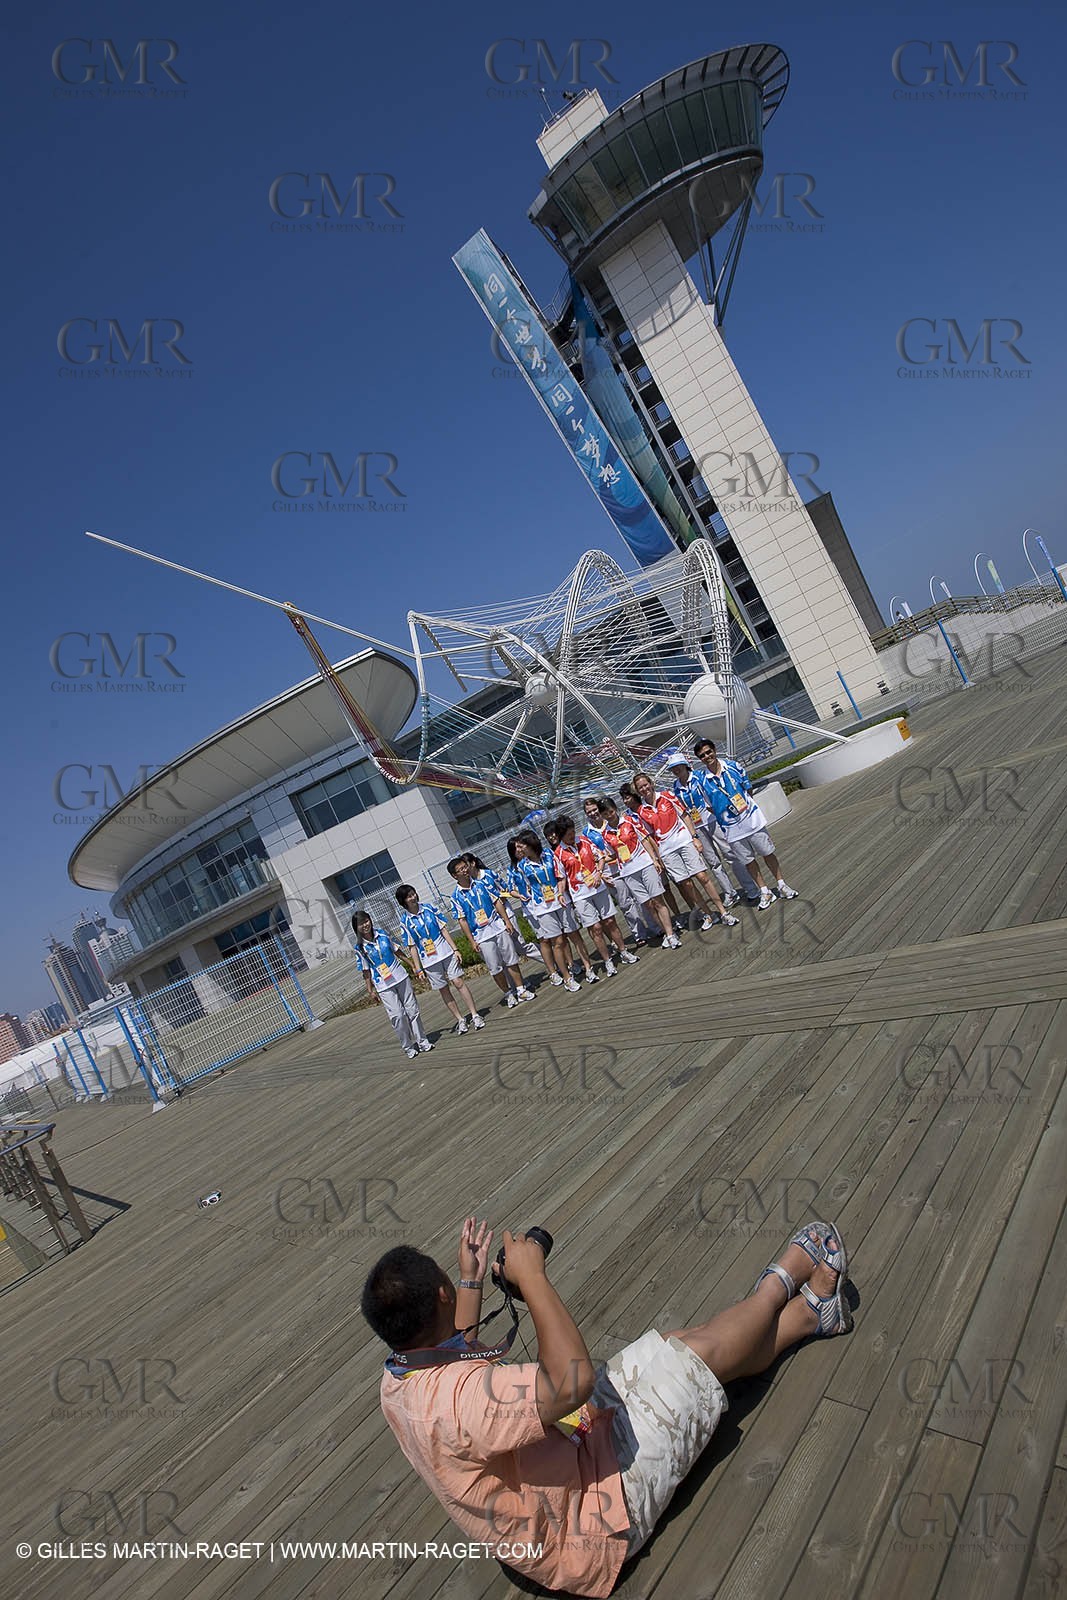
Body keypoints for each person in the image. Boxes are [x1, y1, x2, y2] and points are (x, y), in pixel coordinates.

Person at [363, 1214, 852, 1598]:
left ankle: (812, 1316)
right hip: (590, 1525)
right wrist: (532, 1279)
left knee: (676, 1345)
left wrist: (470, 1281)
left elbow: (454, 1354)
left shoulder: (399, 1378)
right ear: (441, 1293)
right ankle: (782, 1286)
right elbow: (570, 1381)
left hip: (563, 1464)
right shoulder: (463, 1405)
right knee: (695, 1361)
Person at [693, 739, 799, 910]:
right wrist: (726, 816)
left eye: (708, 752)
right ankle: (764, 891)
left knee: (767, 852)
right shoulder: (702, 781)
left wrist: (743, 808)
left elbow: (747, 788)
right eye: (702, 756)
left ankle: (781, 884)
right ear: (700, 759)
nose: (707, 757)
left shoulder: (733, 766)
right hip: (731, 828)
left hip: (751, 821)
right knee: (748, 861)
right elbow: (709, 806)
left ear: (714, 750)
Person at [631, 772, 739, 932]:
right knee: (686, 884)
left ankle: (722, 911)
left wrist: (695, 837)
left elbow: (685, 815)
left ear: (651, 783)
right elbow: (649, 836)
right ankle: (708, 914)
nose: (644, 789)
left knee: (702, 876)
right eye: (640, 788)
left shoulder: (667, 796)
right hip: (666, 851)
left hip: (684, 841)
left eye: (646, 785)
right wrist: (657, 857)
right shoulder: (641, 812)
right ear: (638, 791)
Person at [551, 815, 639, 977]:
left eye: (572, 831)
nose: (572, 836)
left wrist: (599, 873)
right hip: (580, 895)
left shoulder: (584, 840)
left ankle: (623, 951)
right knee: (596, 928)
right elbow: (561, 877)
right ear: (561, 835)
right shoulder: (558, 854)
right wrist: (561, 893)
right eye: (568, 834)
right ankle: (608, 961)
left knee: (610, 921)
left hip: (598, 888)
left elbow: (600, 857)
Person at [395, 885, 485, 1035]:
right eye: (409, 896)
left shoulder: (430, 908)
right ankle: (460, 1019)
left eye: (413, 893)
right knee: (443, 989)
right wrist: (418, 968)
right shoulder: (405, 922)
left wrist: (455, 949)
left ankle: (475, 1014)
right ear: (403, 901)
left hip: (446, 952)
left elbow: (444, 929)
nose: (413, 897)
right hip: (429, 961)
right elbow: (412, 947)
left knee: (458, 982)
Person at [447, 856, 535, 1009]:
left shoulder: (481, 884)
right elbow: (462, 920)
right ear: (455, 876)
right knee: (495, 967)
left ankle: (521, 990)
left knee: (511, 959)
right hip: (481, 935)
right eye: (460, 870)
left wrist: (506, 921)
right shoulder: (456, 897)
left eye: (465, 867)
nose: (465, 871)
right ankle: (508, 993)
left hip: (498, 926)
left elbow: (497, 901)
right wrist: (471, 941)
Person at [596, 796, 678, 948]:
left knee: (658, 900)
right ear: (602, 816)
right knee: (647, 904)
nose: (609, 815)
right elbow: (613, 854)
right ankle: (664, 931)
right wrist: (598, 861)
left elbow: (645, 839)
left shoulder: (630, 821)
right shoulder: (605, 834)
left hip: (645, 864)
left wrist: (655, 859)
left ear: (615, 809)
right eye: (605, 814)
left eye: (611, 811)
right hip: (627, 872)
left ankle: (671, 934)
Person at [351, 909, 432, 1060]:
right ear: (356, 928)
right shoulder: (359, 948)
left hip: (400, 977)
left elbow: (397, 951)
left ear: (370, 920)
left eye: (366, 921)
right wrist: (370, 990)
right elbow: (365, 971)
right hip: (383, 985)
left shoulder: (382, 934)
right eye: (361, 924)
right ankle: (408, 1046)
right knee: (398, 1015)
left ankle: (422, 1041)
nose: (365, 925)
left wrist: (412, 965)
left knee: (412, 1010)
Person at [663, 752, 741, 908]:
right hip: (697, 826)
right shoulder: (676, 788)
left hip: (712, 820)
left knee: (730, 853)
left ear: (685, 765)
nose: (676, 770)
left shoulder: (700, 776)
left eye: (678, 766)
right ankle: (729, 892)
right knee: (713, 862)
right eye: (673, 768)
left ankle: (749, 886)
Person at [512, 831, 583, 992]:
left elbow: (560, 875)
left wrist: (560, 892)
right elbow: (523, 887)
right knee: (557, 942)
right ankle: (566, 977)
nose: (519, 849)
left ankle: (576, 965)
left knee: (569, 935)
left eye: (522, 845)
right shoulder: (522, 866)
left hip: (560, 901)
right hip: (542, 908)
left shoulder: (550, 855)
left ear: (530, 844)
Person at [582, 796, 654, 947]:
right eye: (589, 811)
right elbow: (589, 858)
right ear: (585, 814)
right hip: (610, 872)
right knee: (625, 903)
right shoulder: (586, 833)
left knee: (642, 899)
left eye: (595, 809)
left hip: (628, 865)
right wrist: (600, 874)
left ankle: (654, 927)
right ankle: (639, 933)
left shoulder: (614, 822)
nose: (593, 813)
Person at [543, 818, 600, 984]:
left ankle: (589, 964)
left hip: (578, 891)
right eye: (548, 835)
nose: (551, 837)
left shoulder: (575, 844)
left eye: (553, 833)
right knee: (563, 937)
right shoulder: (550, 854)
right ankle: (571, 963)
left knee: (582, 930)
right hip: (563, 897)